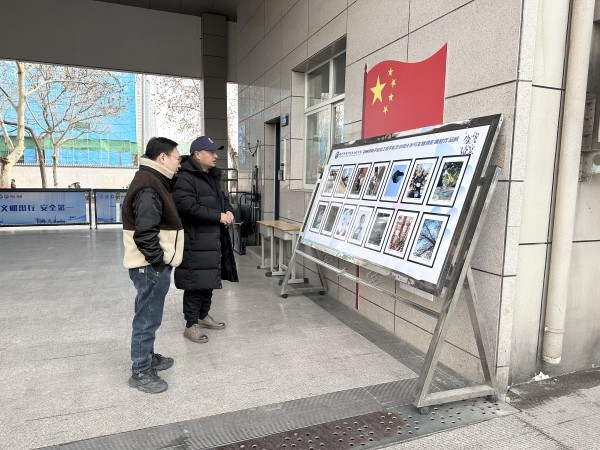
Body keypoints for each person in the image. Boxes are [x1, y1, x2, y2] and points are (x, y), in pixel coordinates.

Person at [122, 137, 184, 393]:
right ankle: (140, 370)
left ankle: (147, 357)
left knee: (149, 314)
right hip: (149, 266)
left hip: (150, 266)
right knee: (147, 317)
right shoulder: (149, 187)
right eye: (177, 158)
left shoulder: (153, 180)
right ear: (162, 157)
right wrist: (158, 263)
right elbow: (145, 233)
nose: (179, 164)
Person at [172, 135, 239, 344]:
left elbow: (222, 200)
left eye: (215, 152)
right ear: (197, 154)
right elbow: (187, 207)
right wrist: (219, 216)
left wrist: (228, 210)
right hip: (195, 240)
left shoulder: (210, 176)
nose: (215, 156)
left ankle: (203, 316)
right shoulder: (184, 177)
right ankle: (191, 324)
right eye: (210, 152)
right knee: (195, 283)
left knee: (209, 279)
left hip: (212, 238)